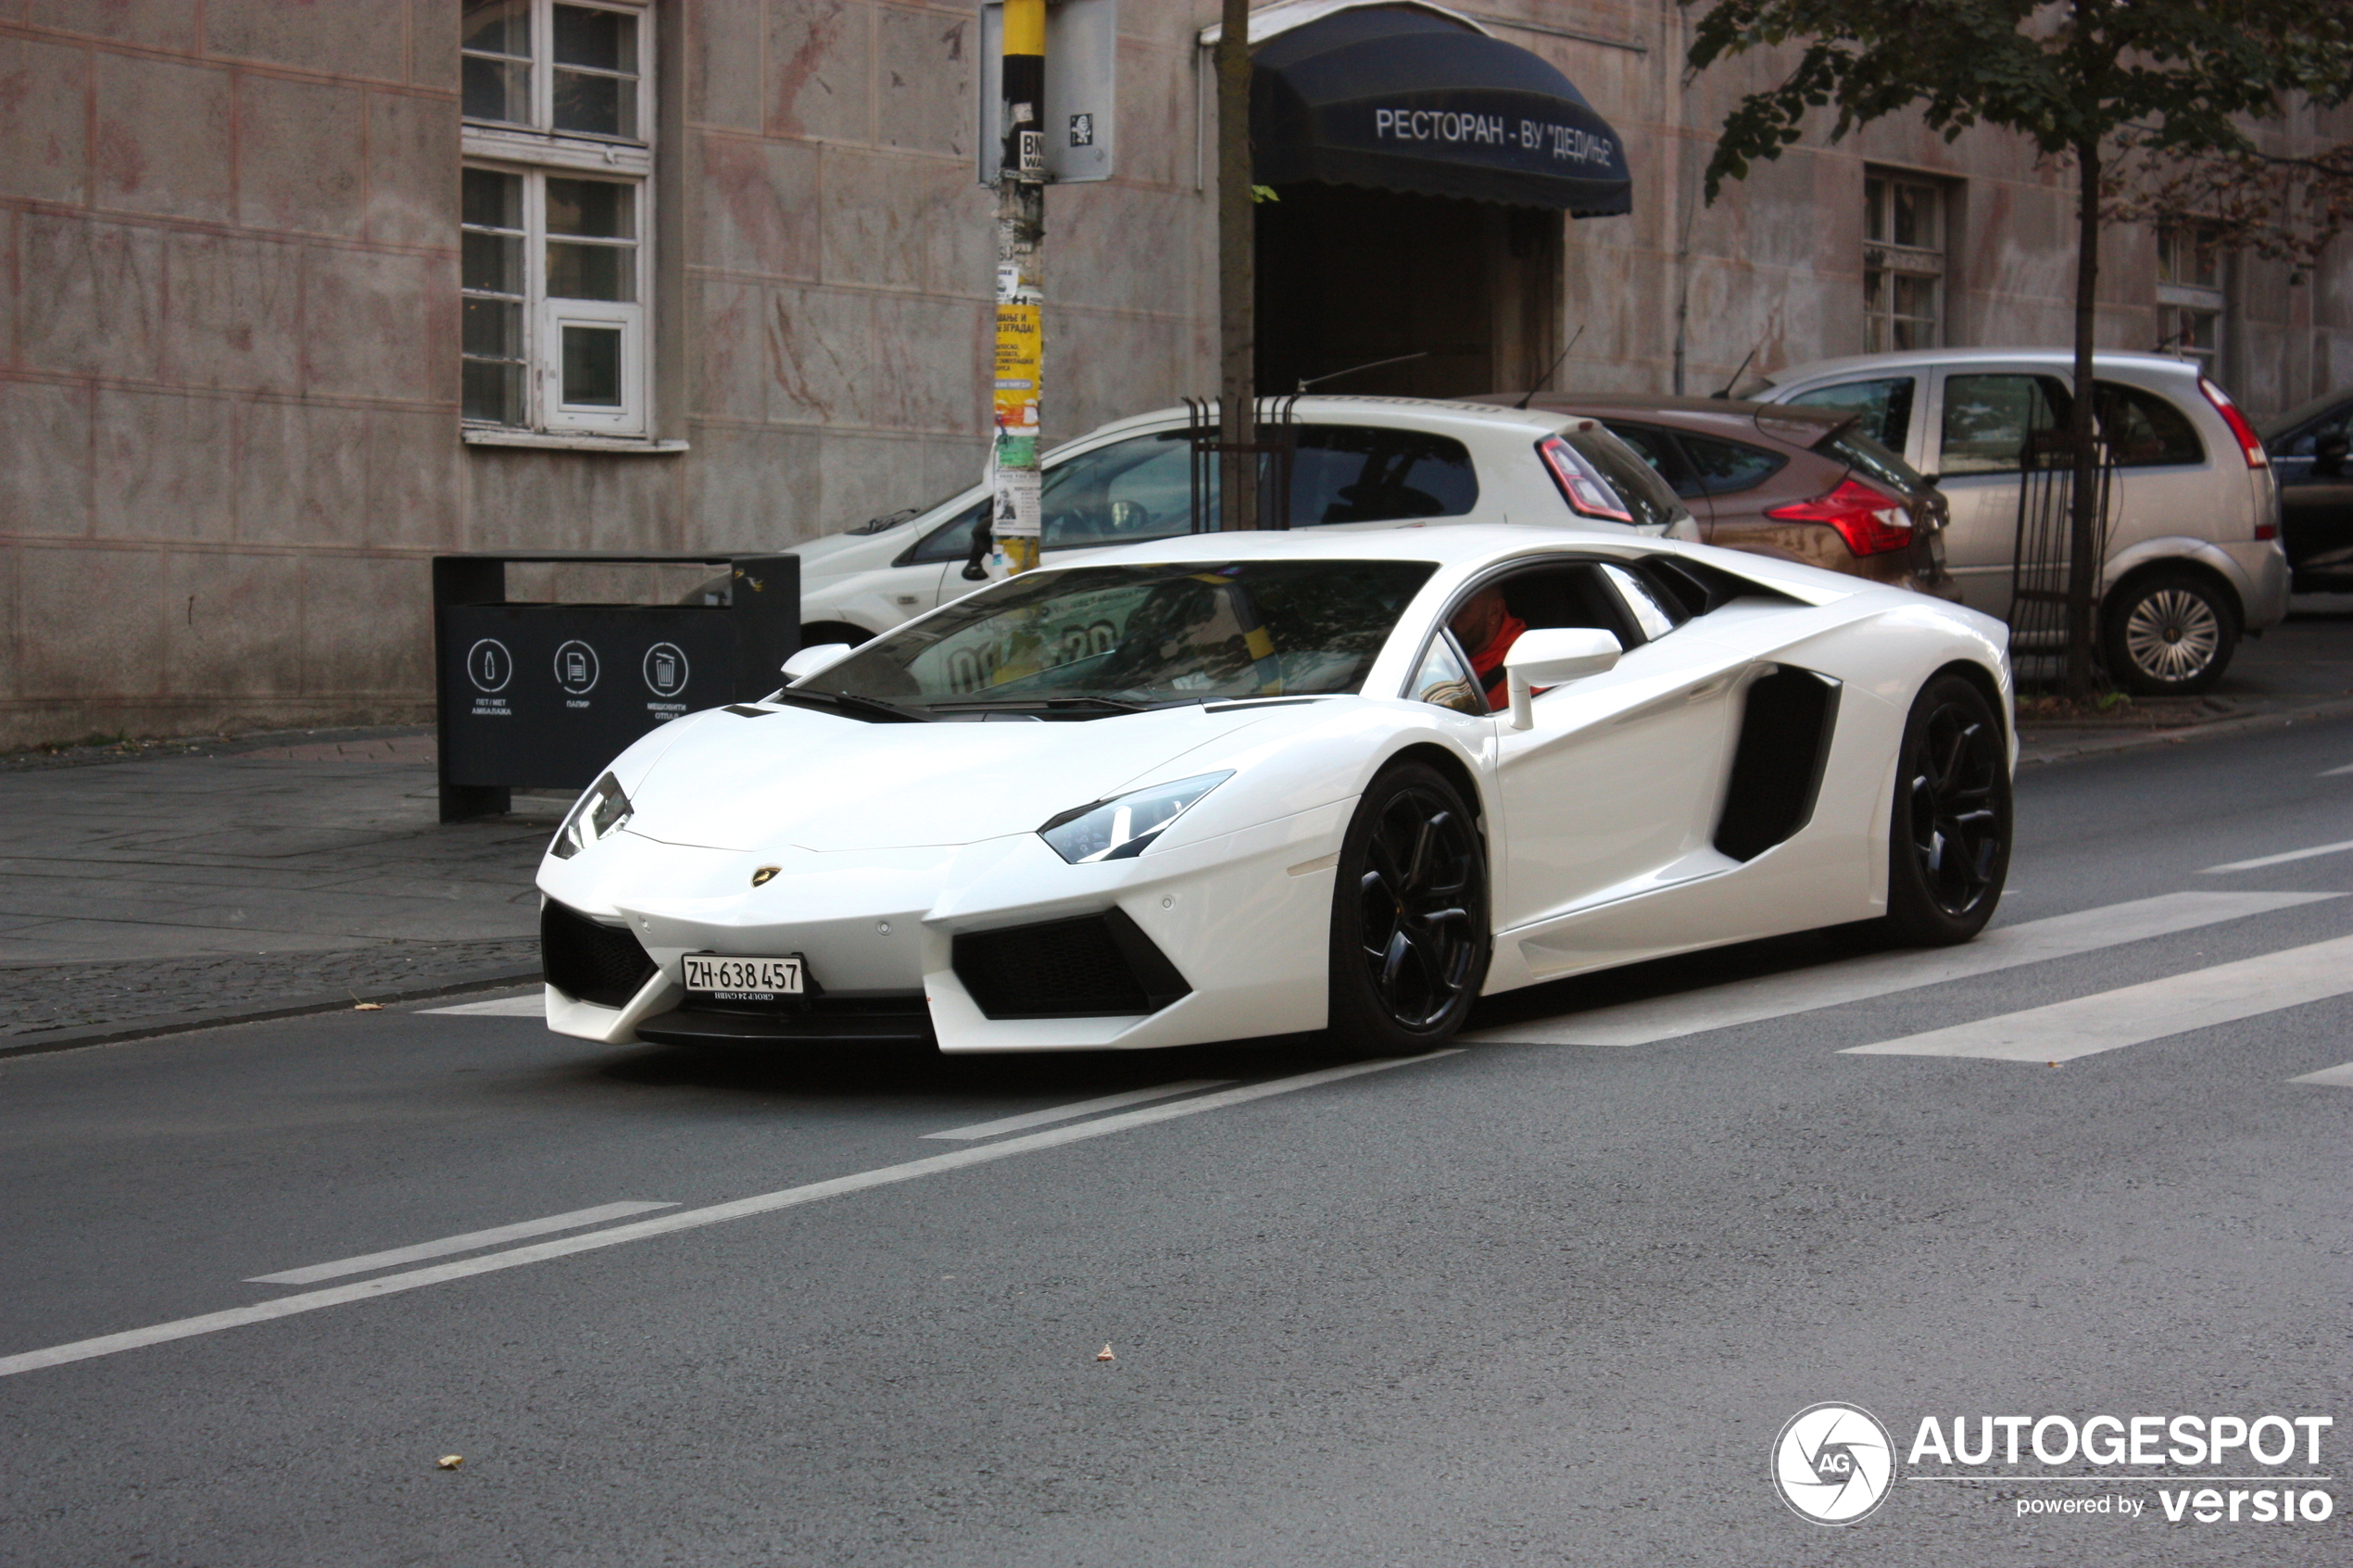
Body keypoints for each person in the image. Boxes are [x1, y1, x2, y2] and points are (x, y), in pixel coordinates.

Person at [1450, 585, 1526, 711]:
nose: (1448, 619)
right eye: (1448, 610)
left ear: (1494, 611)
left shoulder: (1526, 670)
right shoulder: (1430, 652)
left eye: (1461, 609)